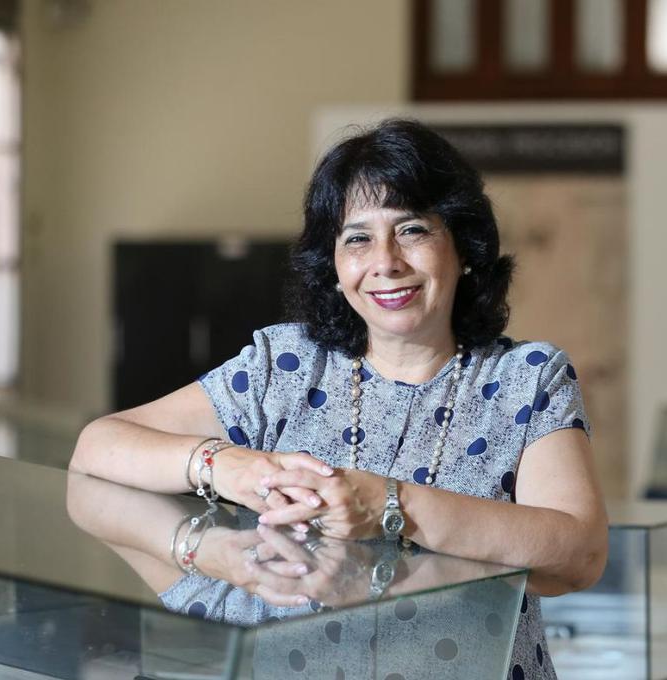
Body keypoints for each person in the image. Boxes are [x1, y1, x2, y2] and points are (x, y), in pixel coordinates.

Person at [70, 118, 608, 679]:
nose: (385, 261)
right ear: (333, 265)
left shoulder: (529, 376)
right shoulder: (286, 365)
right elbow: (97, 448)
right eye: (357, 238)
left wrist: (389, 506)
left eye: (413, 230)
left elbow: (579, 554)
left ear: (464, 247)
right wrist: (230, 469)